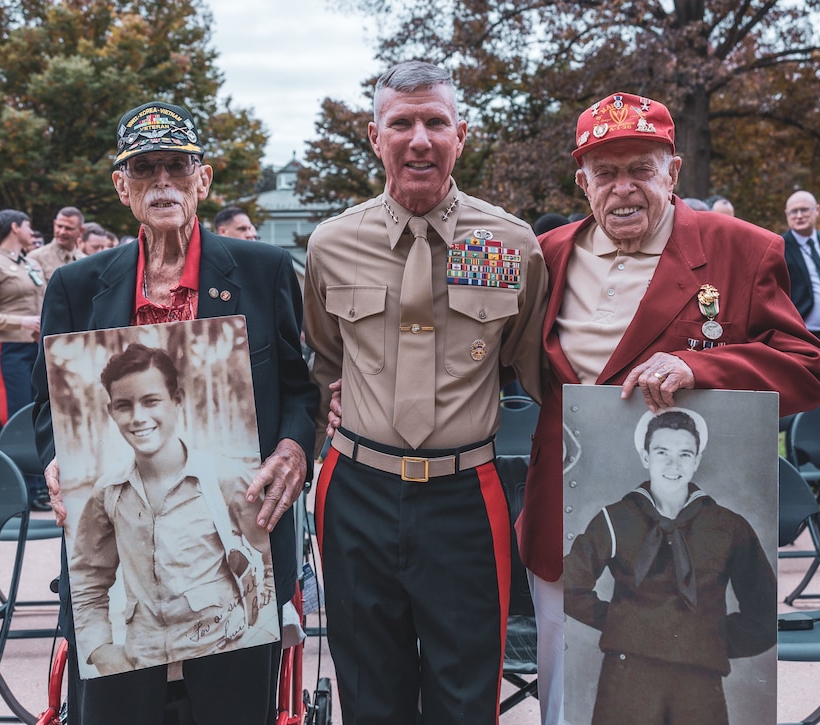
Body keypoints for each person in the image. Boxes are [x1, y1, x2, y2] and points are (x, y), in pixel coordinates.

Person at [518, 91, 820, 724]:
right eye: (605, 173)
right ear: (582, 183)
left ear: (673, 171)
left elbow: (812, 369)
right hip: (571, 511)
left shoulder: (741, 248)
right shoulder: (546, 254)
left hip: (695, 551)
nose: (623, 188)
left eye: (640, 168)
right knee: (570, 696)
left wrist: (701, 367)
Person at [32, 99, 318, 725]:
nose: (163, 182)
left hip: (234, 540)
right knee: (116, 711)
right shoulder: (77, 287)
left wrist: (295, 450)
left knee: (231, 710)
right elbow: (44, 408)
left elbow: (301, 392)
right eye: (145, 169)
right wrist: (58, 463)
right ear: (122, 187)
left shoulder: (263, 269)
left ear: (203, 179)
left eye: (177, 167)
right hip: (116, 548)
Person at [304, 60, 547, 723]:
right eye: (402, 122)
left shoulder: (509, 244)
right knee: (369, 690)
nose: (419, 138)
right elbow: (326, 358)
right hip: (356, 491)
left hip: (465, 497)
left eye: (435, 122)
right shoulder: (331, 245)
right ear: (374, 135)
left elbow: (532, 363)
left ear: (460, 135)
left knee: (467, 695)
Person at [70, 343, 274, 675]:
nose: (138, 418)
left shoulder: (226, 479)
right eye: (124, 405)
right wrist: (100, 649)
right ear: (111, 412)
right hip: (142, 663)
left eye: (151, 402)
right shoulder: (108, 493)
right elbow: (87, 577)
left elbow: (269, 564)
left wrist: (252, 640)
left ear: (177, 400)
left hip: (222, 656)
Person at [564, 409, 776, 724]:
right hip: (627, 674)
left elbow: (766, 612)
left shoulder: (728, 526)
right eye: (662, 452)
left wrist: (710, 637)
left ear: (697, 460)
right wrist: (623, 623)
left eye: (684, 454)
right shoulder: (614, 519)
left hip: (699, 680)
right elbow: (568, 586)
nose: (673, 465)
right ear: (645, 456)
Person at [0, 209, 48, 509]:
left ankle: (39, 484)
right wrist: (22, 322)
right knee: (14, 417)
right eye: (29, 225)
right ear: (15, 227)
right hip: (9, 351)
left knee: (39, 416)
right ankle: (18, 489)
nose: (32, 231)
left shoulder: (30, 262)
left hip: (36, 350)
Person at [782, 190, 820, 360]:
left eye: (804, 210)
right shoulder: (779, 247)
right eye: (793, 212)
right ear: (786, 215)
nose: (799, 216)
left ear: (817, 210)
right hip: (803, 332)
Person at [27, 206, 85, 283]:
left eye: (68, 228)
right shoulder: (36, 257)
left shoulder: (84, 261)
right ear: (54, 224)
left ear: (81, 231)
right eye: (59, 226)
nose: (62, 232)